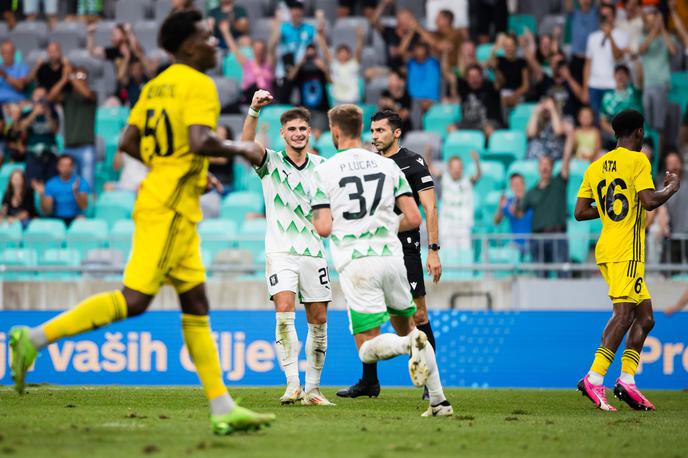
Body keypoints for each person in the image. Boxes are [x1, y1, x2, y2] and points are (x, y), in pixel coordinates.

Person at [8, 9, 275, 435]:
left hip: (167, 201)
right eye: (208, 37)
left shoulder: (154, 85)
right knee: (135, 300)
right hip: (169, 208)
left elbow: (129, 141)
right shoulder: (199, 84)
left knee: (196, 303)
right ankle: (33, 338)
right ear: (188, 45)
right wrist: (241, 150)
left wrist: (179, 167)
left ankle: (223, 407)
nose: (214, 44)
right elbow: (199, 140)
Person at [311, 104, 453, 417]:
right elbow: (412, 216)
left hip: (358, 262)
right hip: (393, 258)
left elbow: (322, 228)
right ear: (362, 129)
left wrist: (350, 225)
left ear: (335, 132)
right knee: (410, 326)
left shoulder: (323, 171)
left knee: (368, 343)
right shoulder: (386, 167)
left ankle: (407, 348)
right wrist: (382, 224)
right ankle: (439, 402)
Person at [574, 109, 680, 411]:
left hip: (606, 249)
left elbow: (580, 212)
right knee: (623, 315)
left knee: (645, 317)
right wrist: (671, 188)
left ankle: (627, 381)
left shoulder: (595, 167)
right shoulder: (638, 160)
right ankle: (594, 378)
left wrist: (609, 208)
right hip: (627, 252)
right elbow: (648, 202)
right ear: (638, 132)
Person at [337, 110, 442, 400]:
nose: (374, 136)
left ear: (396, 133)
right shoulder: (368, 162)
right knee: (370, 318)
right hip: (371, 249)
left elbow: (429, 208)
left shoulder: (412, 163)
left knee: (419, 314)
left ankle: (429, 381)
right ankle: (369, 381)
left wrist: (433, 250)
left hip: (404, 247)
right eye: (372, 130)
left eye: (381, 130)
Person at [241, 90, 332, 406]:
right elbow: (246, 146)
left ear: (310, 132)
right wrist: (254, 110)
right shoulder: (270, 162)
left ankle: (314, 390)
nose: (297, 134)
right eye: (291, 129)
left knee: (318, 320)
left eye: (302, 129)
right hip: (280, 250)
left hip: (314, 252)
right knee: (283, 312)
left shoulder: (323, 166)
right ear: (282, 133)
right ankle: (292, 384)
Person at [520, 151, 572, 276]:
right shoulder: (531, 191)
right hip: (538, 238)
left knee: (563, 273)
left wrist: (570, 137)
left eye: (547, 164)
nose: (544, 167)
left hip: (558, 236)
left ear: (552, 167)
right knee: (540, 275)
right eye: (542, 164)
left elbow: (566, 162)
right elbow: (519, 213)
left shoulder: (559, 183)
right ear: (538, 167)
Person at [47, 63, 98, 191]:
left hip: (87, 147)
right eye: (77, 75)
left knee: (87, 185)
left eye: (82, 75)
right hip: (69, 148)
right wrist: (64, 79)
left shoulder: (92, 94)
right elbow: (50, 97)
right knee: (69, 187)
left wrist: (71, 76)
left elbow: (85, 93)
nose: (79, 78)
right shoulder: (67, 97)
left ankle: (87, 210)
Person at [639, 7, 677, 153]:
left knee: (659, 126)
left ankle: (658, 160)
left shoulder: (665, 36)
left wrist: (662, 30)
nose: (652, 23)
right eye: (649, 20)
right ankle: (650, 156)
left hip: (662, 85)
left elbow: (673, 50)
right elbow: (641, 49)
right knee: (648, 126)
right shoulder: (644, 37)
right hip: (648, 85)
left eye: (653, 20)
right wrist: (656, 29)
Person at [583, 3, 629, 116]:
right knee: (595, 121)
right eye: (602, 16)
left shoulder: (622, 35)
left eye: (608, 15)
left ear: (614, 16)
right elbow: (588, 64)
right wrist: (585, 88)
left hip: (612, 85)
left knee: (614, 120)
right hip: (594, 86)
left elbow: (618, 57)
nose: (605, 18)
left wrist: (610, 36)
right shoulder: (592, 37)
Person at [269, 0, 316, 103]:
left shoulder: (309, 29)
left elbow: (316, 47)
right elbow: (272, 45)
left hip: (304, 69)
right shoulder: (283, 27)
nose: (296, 13)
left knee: (305, 102)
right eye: (294, 10)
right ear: (290, 12)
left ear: (302, 12)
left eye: (298, 10)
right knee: (283, 100)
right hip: (286, 70)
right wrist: (277, 26)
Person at [220, 21, 275, 104]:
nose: (259, 51)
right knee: (253, 88)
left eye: (261, 49)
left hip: (266, 99)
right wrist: (226, 32)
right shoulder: (247, 63)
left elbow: (272, 45)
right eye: (257, 49)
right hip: (250, 98)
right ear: (253, 50)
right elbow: (234, 48)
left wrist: (277, 25)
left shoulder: (268, 64)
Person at [448, 63, 502, 138]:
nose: (474, 80)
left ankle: (487, 149)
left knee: (489, 130)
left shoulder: (490, 87)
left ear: (482, 77)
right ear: (467, 78)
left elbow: (499, 83)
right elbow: (452, 78)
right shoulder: (464, 88)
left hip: (487, 122)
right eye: (471, 77)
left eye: (476, 76)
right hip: (468, 122)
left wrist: (494, 69)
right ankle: (459, 148)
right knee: (451, 128)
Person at [18, 87, 60, 184]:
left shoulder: (52, 112)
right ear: (32, 97)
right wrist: (34, 114)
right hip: (33, 154)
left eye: (42, 96)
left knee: (51, 184)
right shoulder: (26, 113)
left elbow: (55, 130)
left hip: (50, 154)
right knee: (31, 184)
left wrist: (47, 115)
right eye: (37, 96)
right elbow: (21, 128)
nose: (40, 99)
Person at [34, 154, 89, 226]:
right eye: (62, 165)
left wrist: (75, 192)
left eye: (68, 166)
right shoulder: (51, 184)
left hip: (75, 218)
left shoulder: (81, 182)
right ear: (58, 167)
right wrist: (42, 195)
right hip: (55, 219)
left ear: (72, 167)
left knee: (82, 220)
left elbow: (83, 206)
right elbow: (47, 211)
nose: (65, 168)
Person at [287, 44, 330, 135]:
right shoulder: (301, 70)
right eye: (308, 56)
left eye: (313, 55)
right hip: (304, 109)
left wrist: (323, 68)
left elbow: (331, 82)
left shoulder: (320, 70)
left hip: (321, 109)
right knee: (304, 135)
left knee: (318, 134)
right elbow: (290, 78)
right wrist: (300, 63)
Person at [317, 25, 364, 105]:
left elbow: (359, 50)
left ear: (349, 54)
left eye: (345, 52)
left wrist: (360, 37)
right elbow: (325, 51)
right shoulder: (334, 64)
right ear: (337, 54)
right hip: (337, 99)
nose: (343, 54)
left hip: (352, 99)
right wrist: (321, 36)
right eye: (341, 52)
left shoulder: (353, 64)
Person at [600, 65, 642, 144]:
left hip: (636, 138)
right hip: (614, 139)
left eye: (624, 74)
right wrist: (617, 133)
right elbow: (603, 121)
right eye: (618, 74)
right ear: (614, 76)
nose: (621, 77)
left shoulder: (634, 91)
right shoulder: (607, 97)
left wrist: (636, 60)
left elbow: (640, 79)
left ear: (628, 77)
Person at [494, 173, 533, 254]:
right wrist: (500, 207)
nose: (517, 187)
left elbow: (521, 215)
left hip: (532, 242)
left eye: (519, 184)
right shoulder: (509, 202)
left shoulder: (531, 200)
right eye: (514, 185)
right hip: (515, 244)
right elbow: (496, 221)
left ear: (524, 184)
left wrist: (515, 210)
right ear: (511, 187)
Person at [661, 152, 688, 268]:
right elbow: (660, 209)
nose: (674, 166)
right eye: (670, 163)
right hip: (672, 237)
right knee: (672, 273)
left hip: (686, 234)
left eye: (676, 162)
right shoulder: (662, 187)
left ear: (681, 164)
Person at [490, 33, 529, 110]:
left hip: (517, 93)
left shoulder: (522, 62)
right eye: (506, 46)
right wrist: (497, 46)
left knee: (510, 101)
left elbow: (526, 86)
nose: (508, 48)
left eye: (510, 45)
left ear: (515, 46)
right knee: (500, 100)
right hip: (502, 93)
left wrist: (515, 94)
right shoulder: (499, 60)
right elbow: (500, 82)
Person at [526, 96, 567, 161]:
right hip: (537, 155)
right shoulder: (537, 120)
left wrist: (552, 110)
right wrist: (535, 113)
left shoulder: (562, 118)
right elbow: (531, 134)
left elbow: (558, 131)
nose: (546, 109)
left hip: (554, 154)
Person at [407, 42, 441, 113]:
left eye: (422, 50)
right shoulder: (411, 63)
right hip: (414, 100)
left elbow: (438, 49)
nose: (419, 53)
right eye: (417, 51)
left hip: (432, 100)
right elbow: (401, 52)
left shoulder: (433, 62)